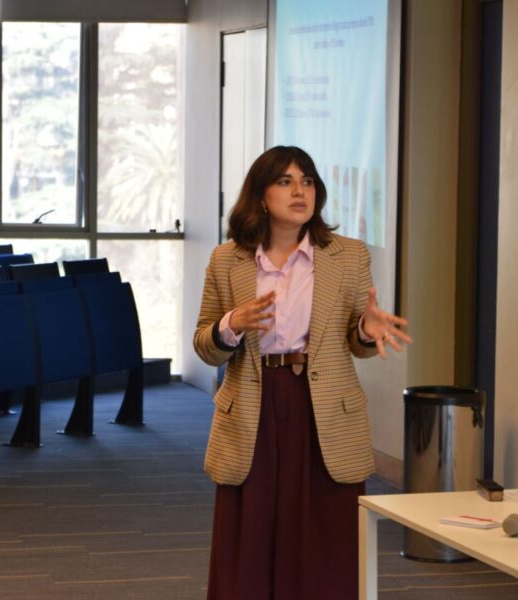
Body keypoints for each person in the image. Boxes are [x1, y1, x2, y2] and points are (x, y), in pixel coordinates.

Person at [193, 146, 412, 599]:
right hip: (254, 402)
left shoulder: (348, 256)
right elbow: (205, 346)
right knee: (250, 534)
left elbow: (357, 342)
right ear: (260, 195)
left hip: (323, 406)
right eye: (286, 181)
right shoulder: (227, 260)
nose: (300, 191)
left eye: (307, 181)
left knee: (324, 534)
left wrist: (365, 330)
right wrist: (232, 323)